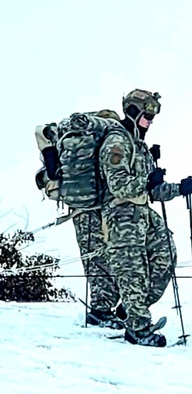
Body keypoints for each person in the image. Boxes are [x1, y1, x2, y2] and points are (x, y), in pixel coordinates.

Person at [98, 89, 192, 347]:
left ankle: (131, 308)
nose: (151, 121)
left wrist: (178, 188)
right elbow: (118, 185)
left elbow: (154, 191)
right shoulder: (116, 142)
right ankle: (138, 328)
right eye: (148, 116)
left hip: (143, 213)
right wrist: (146, 180)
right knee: (132, 271)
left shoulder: (138, 145)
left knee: (166, 258)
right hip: (122, 214)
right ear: (133, 112)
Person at [34, 112, 125, 328]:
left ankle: (106, 308)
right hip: (98, 207)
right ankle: (100, 311)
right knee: (100, 258)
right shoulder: (104, 141)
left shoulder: (70, 144)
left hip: (82, 208)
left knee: (98, 257)